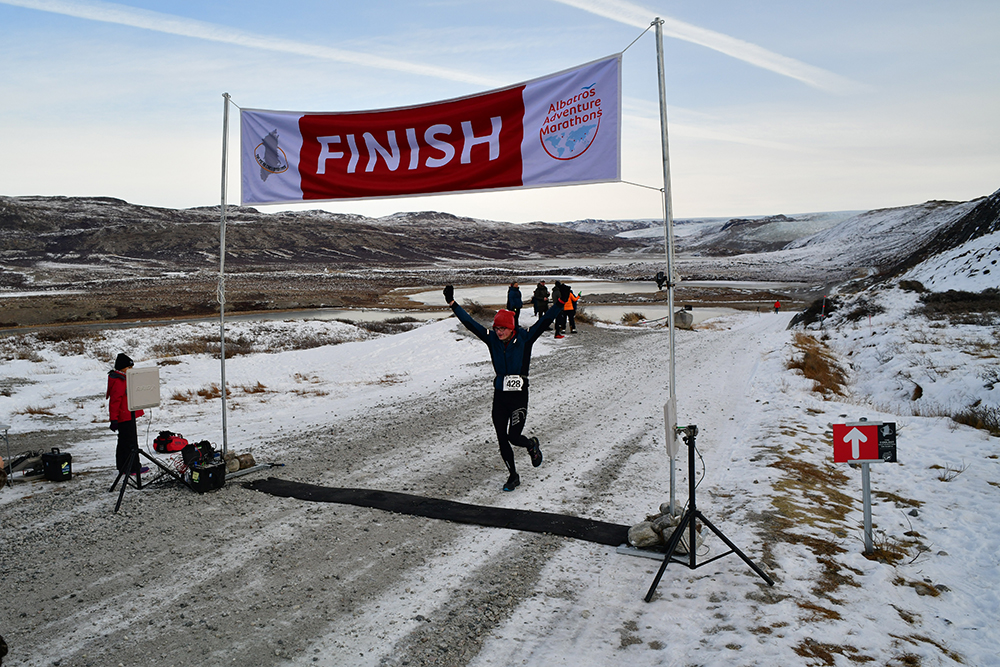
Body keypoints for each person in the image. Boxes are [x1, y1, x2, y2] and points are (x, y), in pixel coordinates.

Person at [444, 284, 564, 492]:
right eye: (497, 328)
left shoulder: (526, 338)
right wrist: (452, 303)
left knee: (513, 437)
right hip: (500, 396)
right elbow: (470, 323)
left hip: (518, 397)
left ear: (512, 328)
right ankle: (513, 475)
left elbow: (545, 320)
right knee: (501, 438)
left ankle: (531, 445)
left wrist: (560, 303)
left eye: (503, 328)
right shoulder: (492, 339)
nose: (498, 332)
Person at [106, 353, 144, 477]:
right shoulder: (120, 381)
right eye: (129, 368)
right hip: (125, 416)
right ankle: (133, 468)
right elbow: (115, 402)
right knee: (130, 443)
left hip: (127, 415)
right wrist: (114, 419)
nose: (130, 370)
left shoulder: (123, 379)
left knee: (123, 442)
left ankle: (123, 467)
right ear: (122, 368)